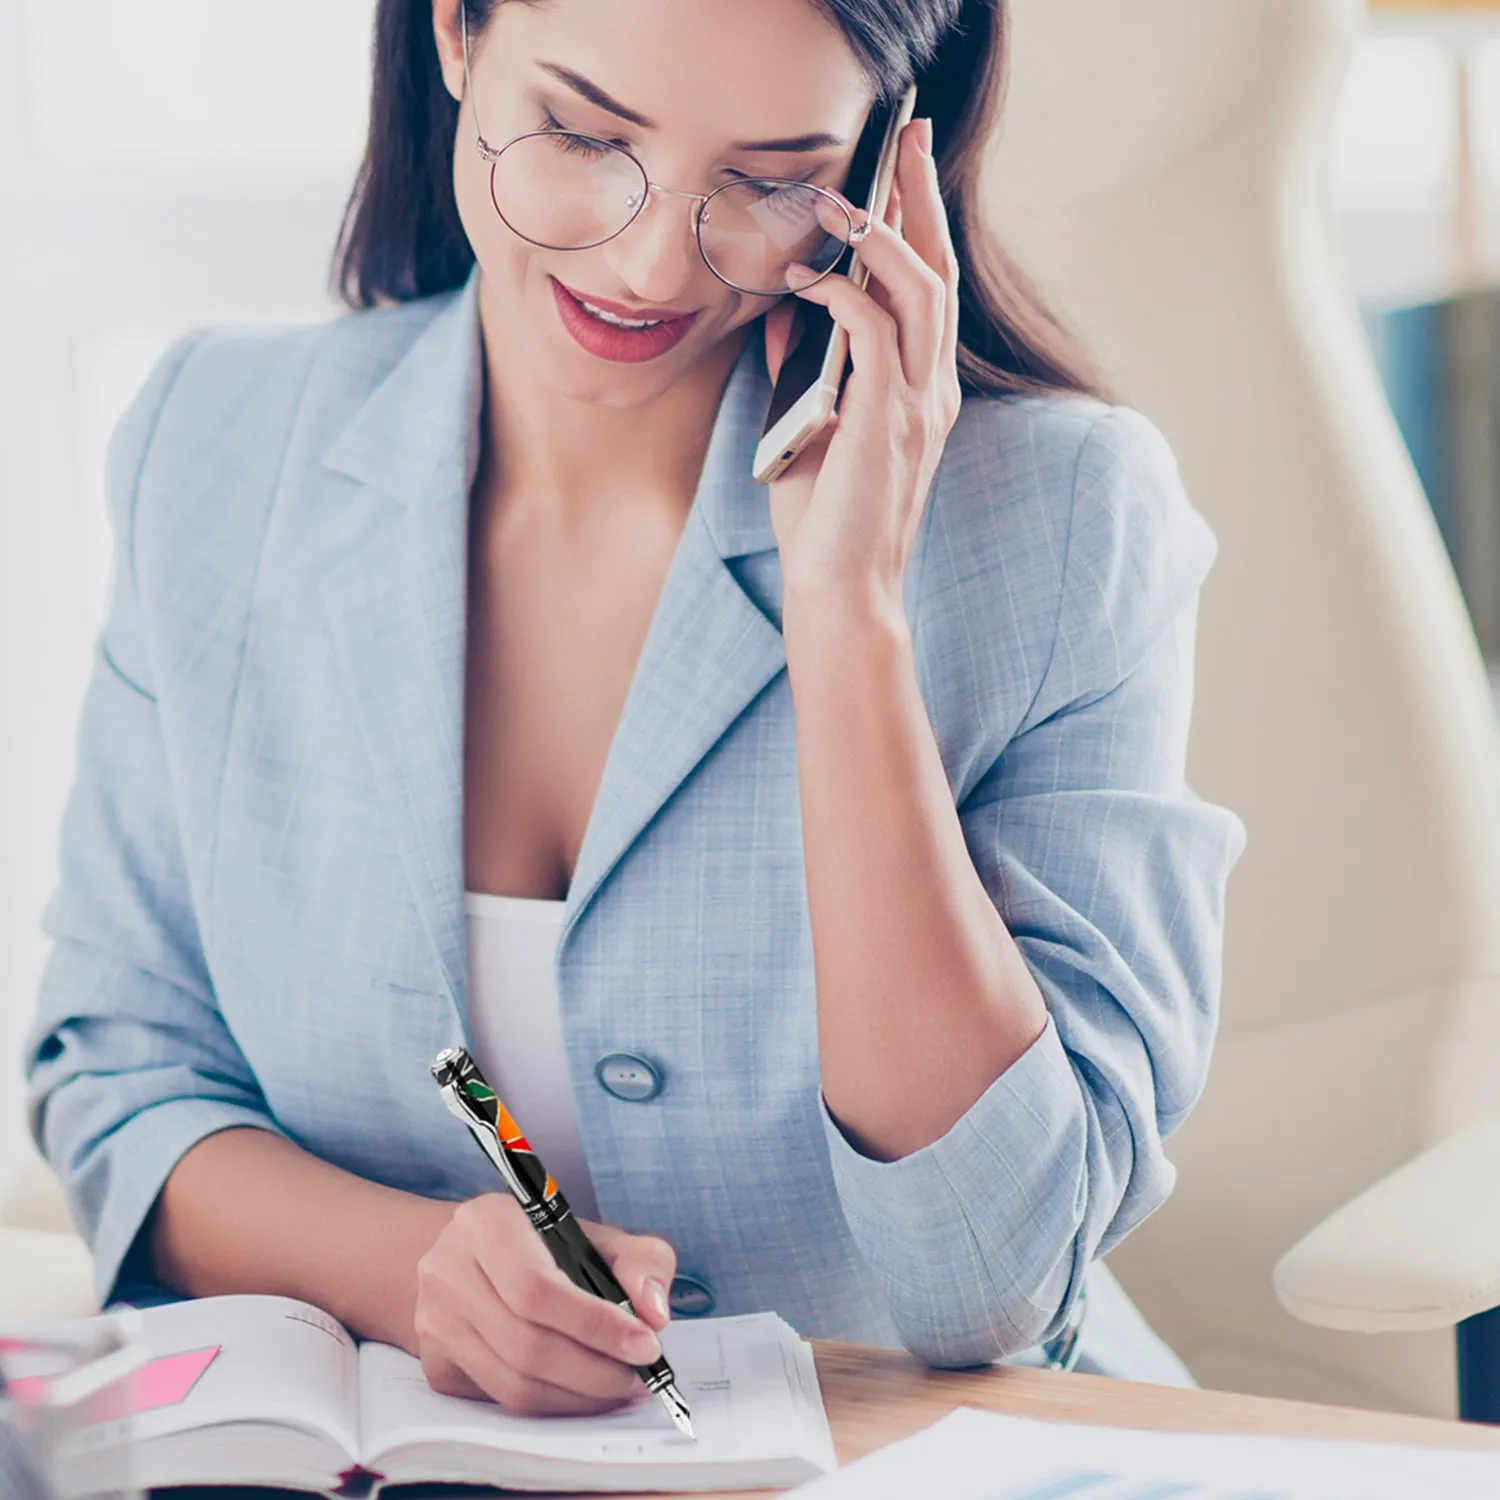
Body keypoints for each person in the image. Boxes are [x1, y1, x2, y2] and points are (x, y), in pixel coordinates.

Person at [25, 0, 1248, 1416]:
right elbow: (119, 1077)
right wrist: (413, 1266)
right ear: (455, 37)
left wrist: (848, 611)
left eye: (775, 177)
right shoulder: (215, 440)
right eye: (585, 135)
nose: (654, 257)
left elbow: (997, 1279)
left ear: (878, 168)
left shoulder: (1065, 518)